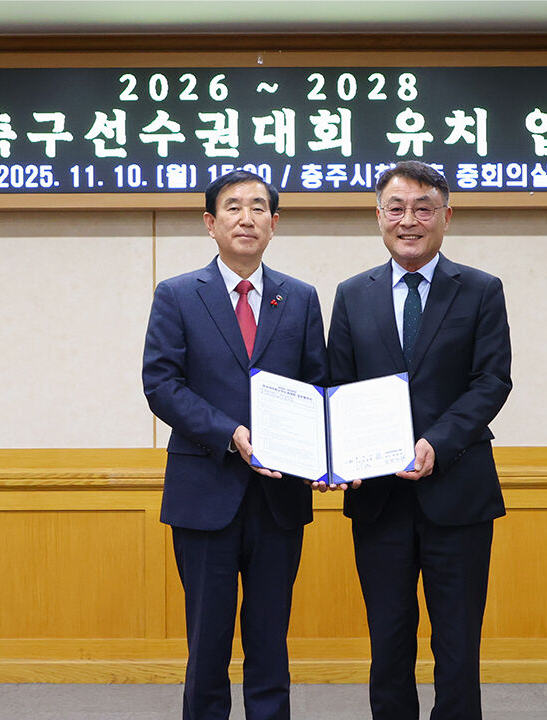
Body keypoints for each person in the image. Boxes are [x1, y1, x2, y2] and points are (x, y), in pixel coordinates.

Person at [327, 161, 512, 720]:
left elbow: (491, 381)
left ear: (446, 217)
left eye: (423, 208)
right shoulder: (351, 294)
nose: (410, 220)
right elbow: (336, 386)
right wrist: (337, 454)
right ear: (378, 216)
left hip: (458, 491)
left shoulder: (480, 289)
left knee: (457, 643)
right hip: (379, 496)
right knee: (388, 641)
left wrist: (437, 441)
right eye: (397, 208)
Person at [142, 170, 326, 720]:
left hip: (280, 497)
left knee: (270, 642)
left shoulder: (301, 298)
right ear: (210, 222)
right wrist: (229, 434)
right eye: (233, 208)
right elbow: (161, 384)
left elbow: (317, 387)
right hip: (204, 494)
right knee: (208, 646)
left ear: (274, 221)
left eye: (258, 208)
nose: (246, 218)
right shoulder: (177, 294)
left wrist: (324, 452)